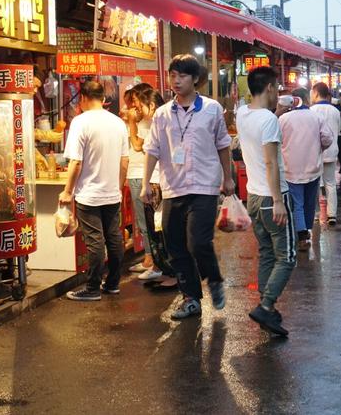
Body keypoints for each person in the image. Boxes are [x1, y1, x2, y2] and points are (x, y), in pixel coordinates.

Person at [141, 54, 234, 319]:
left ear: (195, 79)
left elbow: (223, 144)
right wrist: (147, 182)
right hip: (173, 187)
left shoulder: (212, 109)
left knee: (198, 242)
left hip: (204, 185)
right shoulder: (162, 114)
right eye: (172, 75)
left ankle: (214, 279)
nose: (176, 80)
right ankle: (191, 297)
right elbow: (152, 149)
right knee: (175, 246)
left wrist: (227, 178)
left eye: (182, 75)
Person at [236, 66, 295, 336]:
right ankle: (266, 305)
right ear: (270, 88)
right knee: (287, 256)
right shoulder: (269, 121)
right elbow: (271, 162)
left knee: (268, 253)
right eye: (277, 88)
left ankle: (267, 309)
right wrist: (279, 201)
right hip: (273, 197)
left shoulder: (242, 113)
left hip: (254, 197)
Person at [61, 81, 129, 301]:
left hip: (89, 194)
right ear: (103, 98)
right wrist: (117, 187)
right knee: (114, 238)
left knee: (95, 241)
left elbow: (76, 163)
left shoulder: (80, 122)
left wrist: (67, 191)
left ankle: (92, 288)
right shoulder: (118, 122)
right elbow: (124, 160)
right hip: (112, 193)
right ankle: (112, 283)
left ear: (82, 98)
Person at [279, 88, 334, 251]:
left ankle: (302, 233)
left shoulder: (283, 119)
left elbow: (276, 140)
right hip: (313, 167)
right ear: (306, 100)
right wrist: (319, 148)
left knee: (297, 203)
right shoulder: (317, 117)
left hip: (291, 168)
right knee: (310, 202)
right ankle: (305, 230)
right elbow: (327, 138)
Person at [123, 84, 163, 280]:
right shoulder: (152, 120)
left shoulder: (154, 123)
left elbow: (139, 146)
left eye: (136, 102)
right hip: (149, 178)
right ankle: (157, 262)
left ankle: (156, 262)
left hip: (151, 178)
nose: (133, 107)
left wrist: (131, 122)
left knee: (152, 223)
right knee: (149, 222)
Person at [310, 82, 341, 226]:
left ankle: (315, 214)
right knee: (330, 183)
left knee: (314, 184)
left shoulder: (311, 110)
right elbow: (338, 131)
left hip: (315, 153)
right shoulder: (335, 111)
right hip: (332, 151)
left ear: (315, 93)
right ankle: (332, 215)